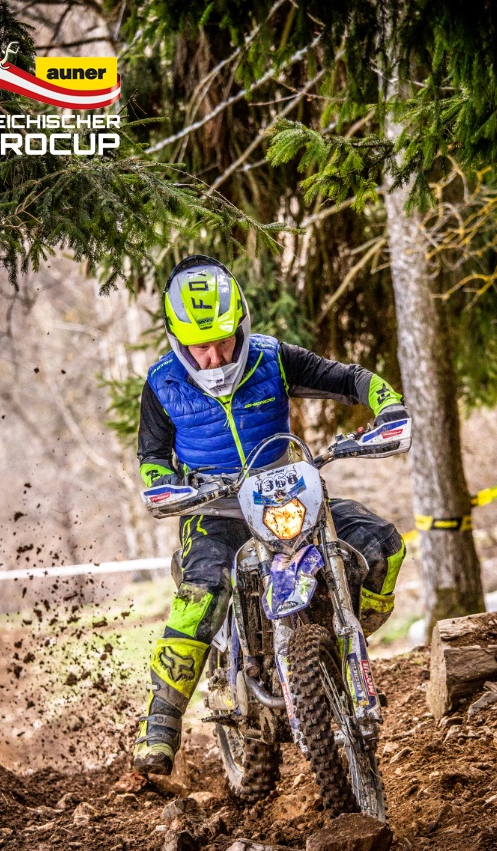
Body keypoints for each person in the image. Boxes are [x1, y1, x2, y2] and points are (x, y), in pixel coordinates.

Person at [133, 255, 409, 776]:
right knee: (202, 594)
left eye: (223, 340)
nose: (214, 356)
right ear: (176, 339)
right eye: (199, 345)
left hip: (287, 494)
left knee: (382, 546)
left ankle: (344, 641)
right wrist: (162, 485)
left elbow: (349, 378)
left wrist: (387, 405)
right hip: (213, 509)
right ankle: (160, 724)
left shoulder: (272, 359)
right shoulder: (162, 384)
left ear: (241, 324)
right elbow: (151, 455)